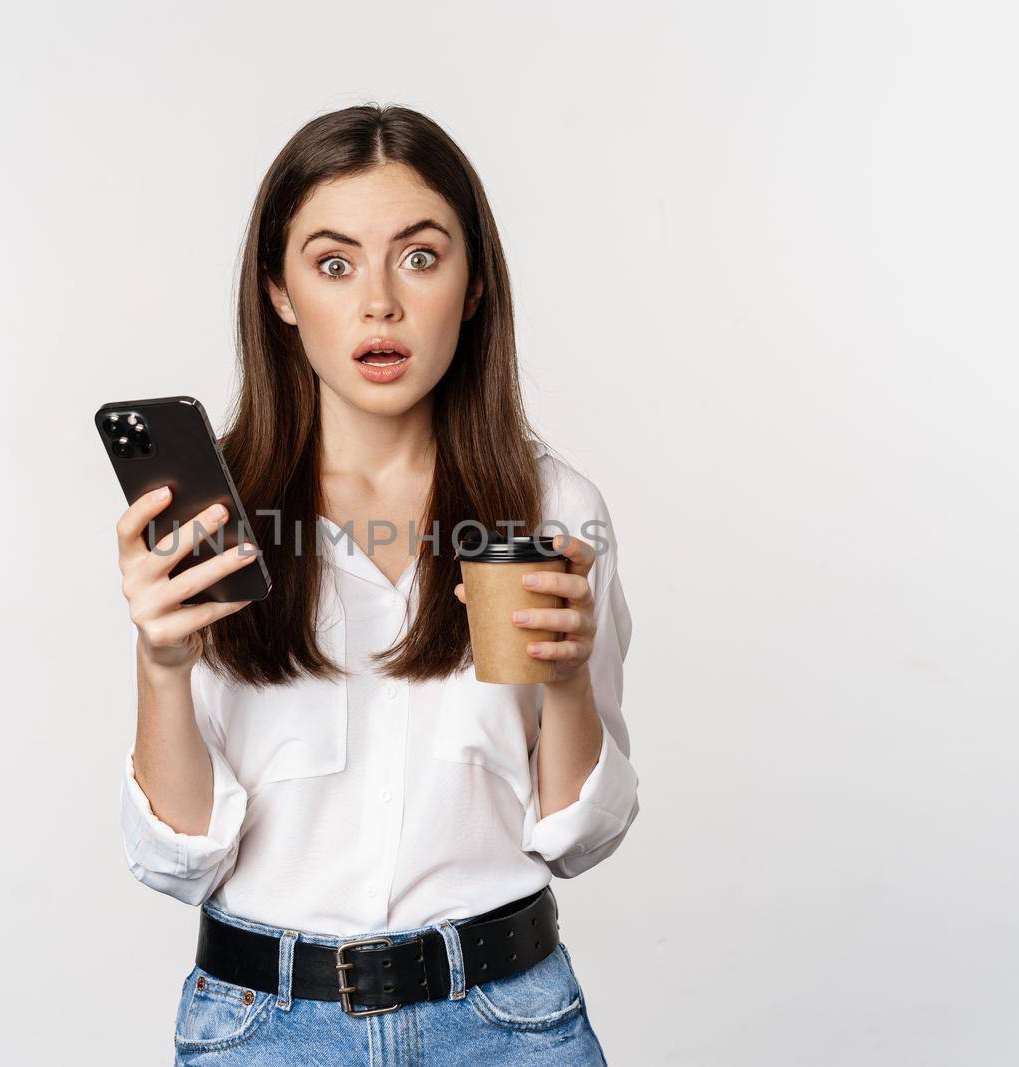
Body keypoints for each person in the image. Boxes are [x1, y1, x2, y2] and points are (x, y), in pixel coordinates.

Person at [113, 103, 639, 1065]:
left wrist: (564, 680)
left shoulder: (552, 504)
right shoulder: (209, 510)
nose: (380, 303)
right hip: (262, 1030)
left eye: (421, 256)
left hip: (506, 1024)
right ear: (279, 291)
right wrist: (160, 665)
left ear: (474, 286)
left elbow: (579, 835)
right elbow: (177, 858)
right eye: (334, 262)